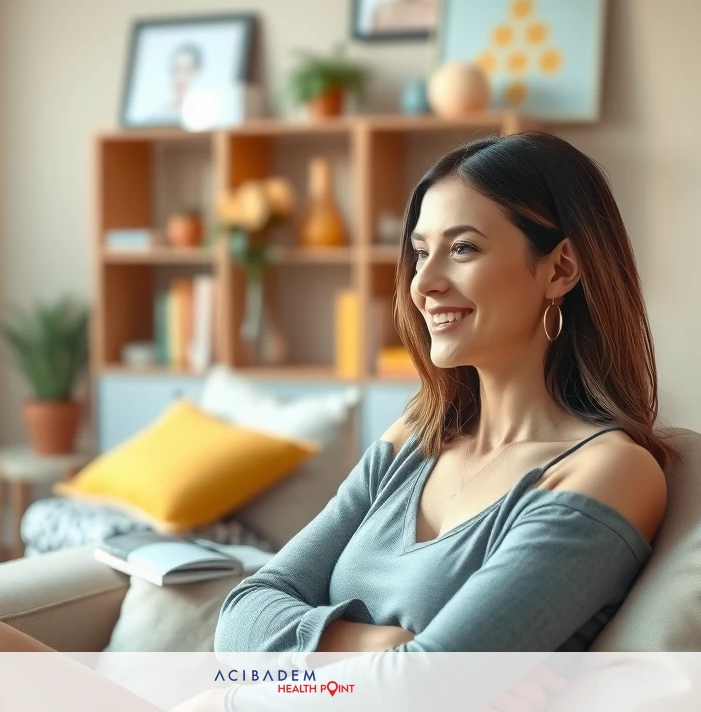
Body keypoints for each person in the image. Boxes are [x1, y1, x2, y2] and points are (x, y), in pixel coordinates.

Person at [213, 132, 672, 654]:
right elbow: (240, 618)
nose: (423, 282)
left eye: (463, 248)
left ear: (560, 268)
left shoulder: (607, 472)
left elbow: (429, 690)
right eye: (420, 252)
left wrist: (278, 672)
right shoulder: (416, 436)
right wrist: (380, 647)